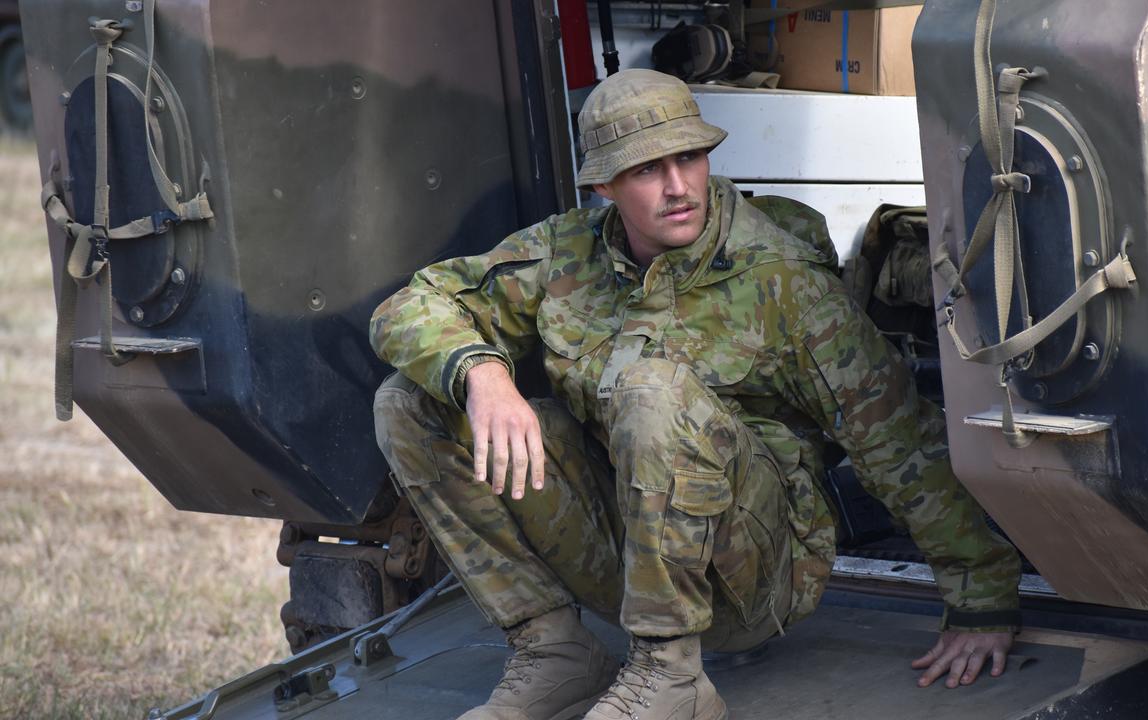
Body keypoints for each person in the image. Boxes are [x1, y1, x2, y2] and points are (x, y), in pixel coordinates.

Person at [370, 69, 1022, 720]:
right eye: (648, 170)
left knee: (650, 387)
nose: (679, 187)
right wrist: (483, 373)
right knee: (410, 403)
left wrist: (981, 598)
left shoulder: (781, 278)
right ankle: (552, 651)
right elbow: (409, 306)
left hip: (755, 577)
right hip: (627, 552)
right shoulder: (568, 254)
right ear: (604, 185)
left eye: (689, 157)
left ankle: (671, 678)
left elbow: (897, 441)